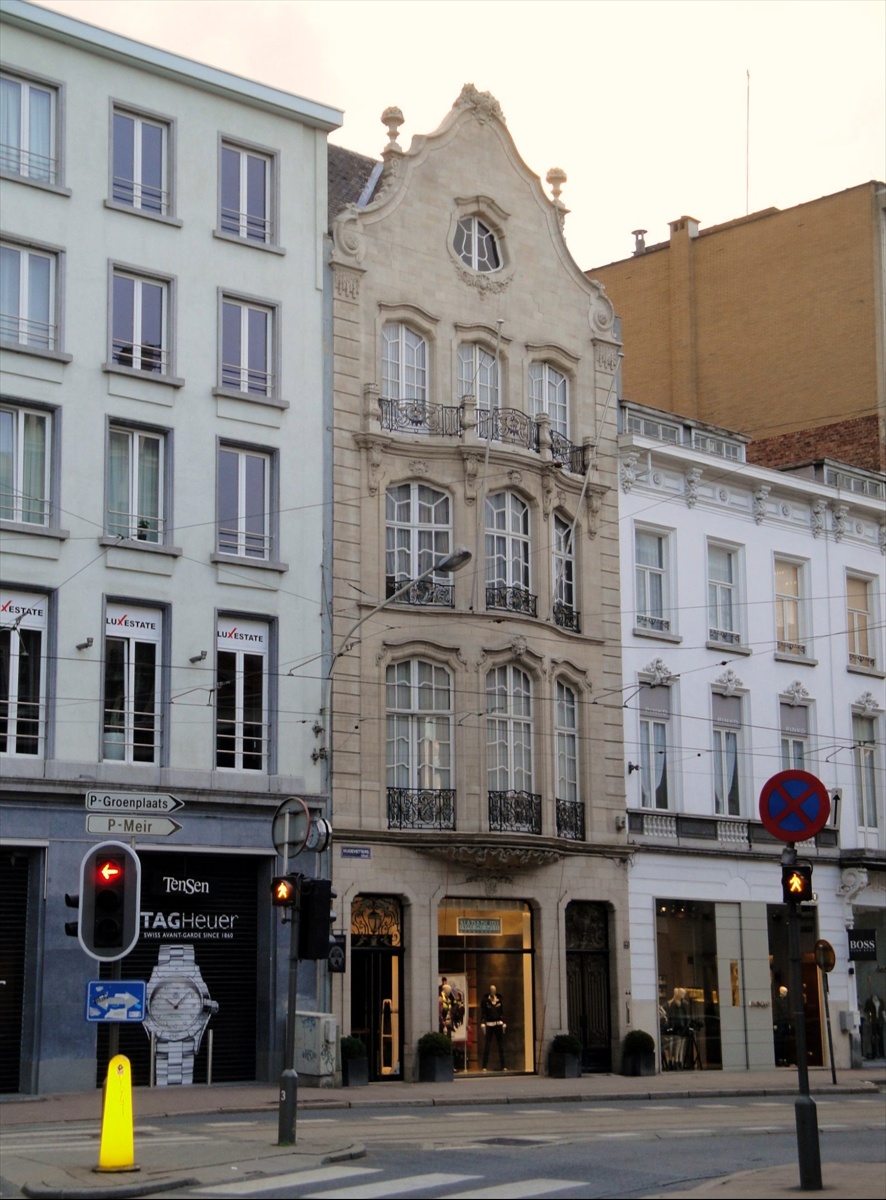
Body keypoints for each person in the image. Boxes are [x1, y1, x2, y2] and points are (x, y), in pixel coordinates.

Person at [480, 984, 506, 1071]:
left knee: (501, 1045)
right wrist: (483, 1022)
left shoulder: (499, 1000)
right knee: (487, 1044)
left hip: (498, 1023)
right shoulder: (485, 1001)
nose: (492, 992)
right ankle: (484, 1066)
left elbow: (502, 1012)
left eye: (494, 990)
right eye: (491, 990)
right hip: (489, 1024)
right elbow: (483, 1012)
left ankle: (503, 1065)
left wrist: (503, 1022)